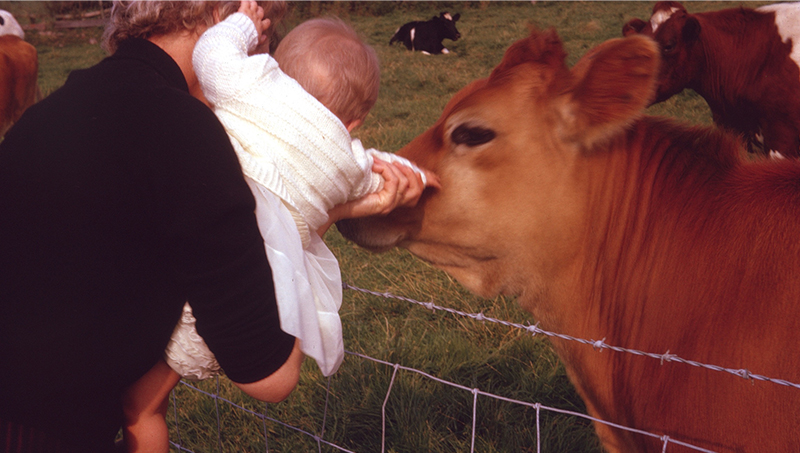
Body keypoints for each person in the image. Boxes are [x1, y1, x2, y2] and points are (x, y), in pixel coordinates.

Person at [118, 3, 435, 453]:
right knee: (151, 399)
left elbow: (212, 55)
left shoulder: (255, 90)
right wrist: (418, 177)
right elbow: (381, 169)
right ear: (357, 122)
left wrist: (242, 25)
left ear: (277, 70)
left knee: (140, 409)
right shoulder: (346, 161)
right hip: (251, 305)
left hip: (182, 274)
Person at [0, 2, 311, 452]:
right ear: (228, 19)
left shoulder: (47, 114)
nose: (268, 59)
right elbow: (269, 375)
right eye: (264, 33)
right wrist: (318, 210)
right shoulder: (183, 128)